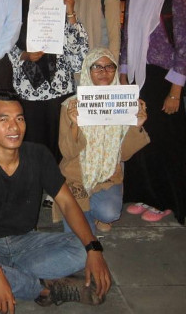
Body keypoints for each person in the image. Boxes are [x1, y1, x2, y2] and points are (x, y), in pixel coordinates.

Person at [0, 91, 111, 314]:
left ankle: (5, 284)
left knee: (82, 246)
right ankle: (44, 289)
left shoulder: (38, 155)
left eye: (19, 118)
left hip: (27, 243)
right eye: (3, 119)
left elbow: (67, 203)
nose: (14, 127)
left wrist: (93, 248)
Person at [120, 0, 186, 224]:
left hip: (164, 82)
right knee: (140, 142)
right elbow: (127, 43)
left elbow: (184, 47)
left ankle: (163, 201)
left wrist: (175, 92)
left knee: (162, 144)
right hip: (139, 80)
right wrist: (125, 81)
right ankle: (144, 194)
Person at [56, 48, 149, 233]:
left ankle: (93, 211)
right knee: (79, 241)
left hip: (107, 176)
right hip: (76, 177)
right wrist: (75, 124)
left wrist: (136, 124)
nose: (103, 71)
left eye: (109, 67)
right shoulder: (71, 105)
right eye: (96, 66)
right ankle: (83, 208)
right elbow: (67, 153)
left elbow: (124, 154)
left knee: (109, 212)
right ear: (87, 70)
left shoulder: (125, 103)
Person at [9, 0, 88, 160]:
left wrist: (70, 13)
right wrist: (24, 55)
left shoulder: (60, 10)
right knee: (32, 150)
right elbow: (4, 44)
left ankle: (56, 189)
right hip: (30, 92)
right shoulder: (15, 13)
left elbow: (79, 55)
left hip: (59, 91)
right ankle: (34, 189)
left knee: (59, 148)